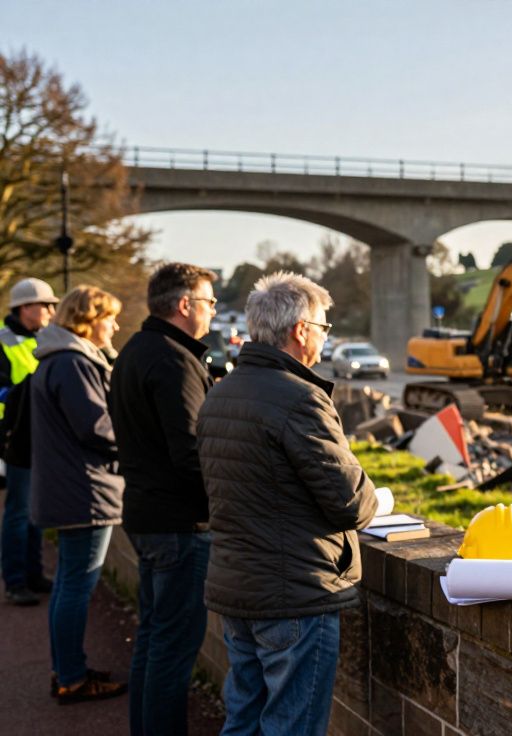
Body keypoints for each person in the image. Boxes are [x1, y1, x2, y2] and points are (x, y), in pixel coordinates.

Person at [198, 272, 378, 736]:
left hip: (237, 586)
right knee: (291, 726)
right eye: (323, 329)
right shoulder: (300, 400)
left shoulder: (219, 394)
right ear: (301, 331)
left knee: (243, 720)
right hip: (295, 592)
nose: (323, 340)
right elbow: (352, 503)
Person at [109, 263, 218, 735]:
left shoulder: (136, 349)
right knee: (172, 651)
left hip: (146, 513)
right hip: (178, 524)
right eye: (209, 302)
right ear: (184, 305)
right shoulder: (174, 360)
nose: (213, 311)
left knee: (152, 642)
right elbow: (191, 452)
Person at [29, 285, 129, 705]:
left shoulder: (57, 359)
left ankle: (67, 669)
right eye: (109, 317)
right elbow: (96, 428)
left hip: (69, 487)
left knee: (70, 585)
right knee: (76, 587)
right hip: (85, 491)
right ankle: (71, 676)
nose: (115, 325)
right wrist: (137, 436)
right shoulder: (74, 363)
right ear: (88, 320)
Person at [0, 278, 60, 606]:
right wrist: (18, 398)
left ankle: (33, 574)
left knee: (35, 508)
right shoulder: (2, 341)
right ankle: (15, 580)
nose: (51, 311)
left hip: (40, 433)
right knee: (19, 510)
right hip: (15, 436)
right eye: (45, 305)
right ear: (26, 308)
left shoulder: (45, 337)